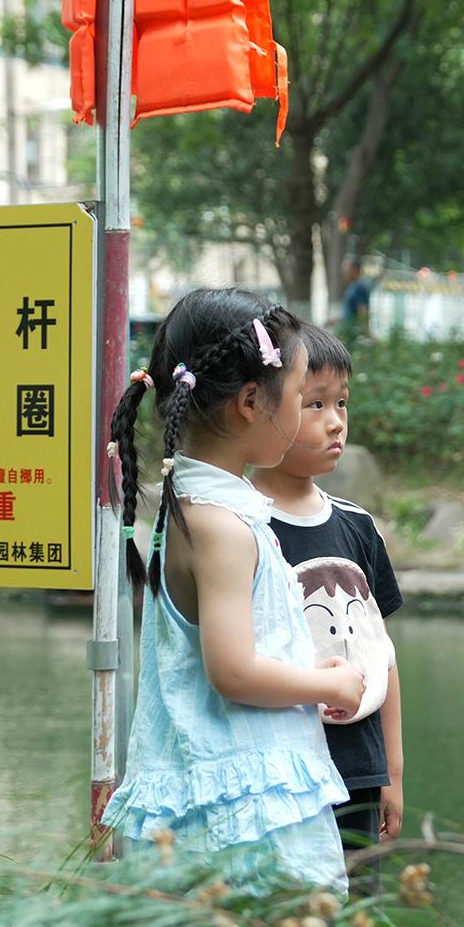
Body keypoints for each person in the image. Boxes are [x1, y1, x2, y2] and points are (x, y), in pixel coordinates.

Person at [101, 288, 364, 894]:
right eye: (298, 395)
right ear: (251, 402)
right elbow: (234, 671)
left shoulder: (195, 508)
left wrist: (304, 670)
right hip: (242, 807)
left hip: (218, 785)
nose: (302, 411)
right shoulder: (221, 526)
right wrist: (327, 685)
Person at [251, 319, 406, 866]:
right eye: (314, 404)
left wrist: (392, 772)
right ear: (262, 406)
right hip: (280, 768)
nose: (336, 421)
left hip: (358, 769)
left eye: (342, 403)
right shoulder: (241, 525)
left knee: (358, 902)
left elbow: (381, 655)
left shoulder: (357, 526)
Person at [340, 259, 373, 336]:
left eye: (346, 268)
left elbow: (363, 310)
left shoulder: (360, 286)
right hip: (348, 331)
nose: (344, 271)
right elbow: (349, 312)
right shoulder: (353, 286)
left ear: (355, 269)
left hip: (354, 333)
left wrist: (365, 332)